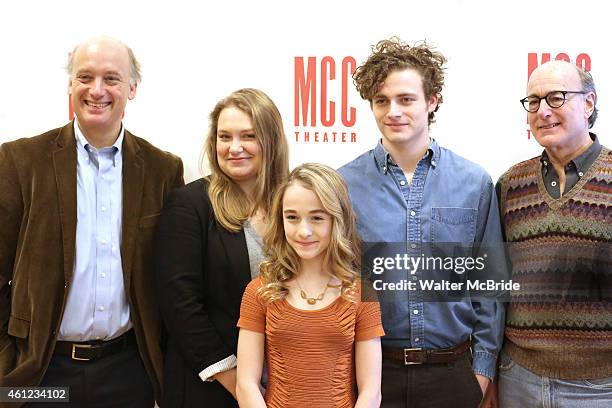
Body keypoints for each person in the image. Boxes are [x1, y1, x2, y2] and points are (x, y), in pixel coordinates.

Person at [0, 36, 183, 407]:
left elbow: (170, 279)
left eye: (111, 79)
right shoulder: (20, 161)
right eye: (85, 77)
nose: (96, 90)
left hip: (129, 373)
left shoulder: (163, 170)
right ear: (70, 85)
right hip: (39, 373)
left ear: (131, 88)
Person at [338, 38, 507, 408]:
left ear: (432, 101)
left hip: (453, 373)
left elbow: (489, 284)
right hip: (372, 375)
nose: (392, 111)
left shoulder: (473, 182)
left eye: (406, 99)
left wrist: (481, 371)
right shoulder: (342, 185)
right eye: (381, 101)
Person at [155, 88, 289, 407]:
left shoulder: (292, 205)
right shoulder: (190, 205)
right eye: (224, 137)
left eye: (248, 136)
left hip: (282, 384)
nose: (234, 148)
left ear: (271, 140)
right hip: (212, 388)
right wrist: (239, 385)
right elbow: (181, 306)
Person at [494, 60, 612, 407]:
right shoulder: (510, 184)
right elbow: (494, 282)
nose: (543, 111)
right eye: (533, 101)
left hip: (599, 386)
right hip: (518, 376)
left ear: (588, 103)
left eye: (556, 98)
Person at [236, 163, 384, 408]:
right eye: (292, 217)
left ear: (337, 220)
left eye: (317, 217)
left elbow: (371, 392)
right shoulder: (259, 290)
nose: (303, 231)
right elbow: (246, 384)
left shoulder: (362, 293)